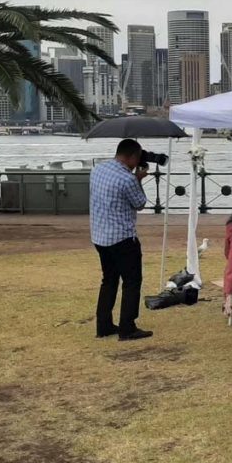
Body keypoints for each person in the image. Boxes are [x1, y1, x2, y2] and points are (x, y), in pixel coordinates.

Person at [90, 138, 151, 340]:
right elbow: (140, 203)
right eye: (138, 157)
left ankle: (104, 325)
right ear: (132, 156)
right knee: (132, 281)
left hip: (100, 236)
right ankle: (127, 327)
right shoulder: (127, 180)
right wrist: (139, 179)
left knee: (108, 280)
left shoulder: (98, 169)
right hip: (123, 238)